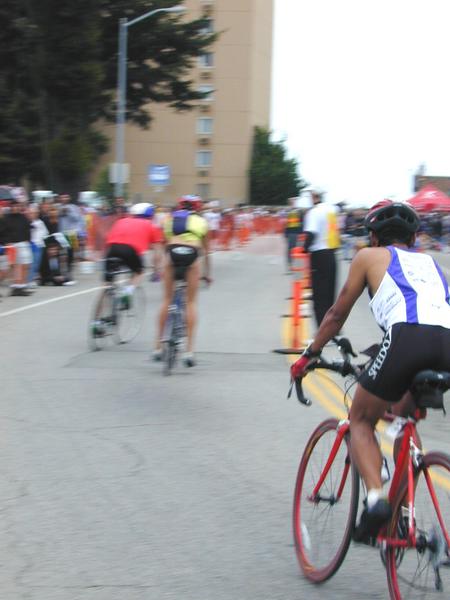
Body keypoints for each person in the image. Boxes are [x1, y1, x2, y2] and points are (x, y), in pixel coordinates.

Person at [290, 200, 450, 543]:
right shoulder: (431, 263)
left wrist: (309, 355)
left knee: (361, 418)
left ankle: (377, 500)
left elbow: (336, 315)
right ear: (414, 238)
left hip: (406, 338)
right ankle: (402, 517)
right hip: (446, 344)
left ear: (374, 237)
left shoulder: (367, 256)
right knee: (403, 418)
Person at [153, 195, 211, 367]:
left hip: (172, 253)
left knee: (167, 299)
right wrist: (207, 274)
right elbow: (206, 252)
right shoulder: (202, 222)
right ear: (198, 208)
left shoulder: (170, 220)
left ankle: (158, 347)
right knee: (191, 302)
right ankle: (189, 351)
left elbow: (164, 245)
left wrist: (163, 267)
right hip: (191, 255)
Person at [302, 190, 340, 326]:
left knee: (319, 296)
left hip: (319, 254)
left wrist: (304, 248)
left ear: (314, 197)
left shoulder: (314, 212)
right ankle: (333, 329)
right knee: (330, 295)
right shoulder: (331, 211)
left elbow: (311, 234)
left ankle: (322, 329)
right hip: (331, 254)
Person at [4, 200, 33, 296]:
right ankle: (15, 287)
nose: (15, 208)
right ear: (10, 207)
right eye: (13, 206)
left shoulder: (24, 217)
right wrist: (7, 242)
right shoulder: (6, 219)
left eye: (17, 206)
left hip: (24, 244)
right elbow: (3, 232)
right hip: (12, 245)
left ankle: (22, 286)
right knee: (15, 267)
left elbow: (28, 229)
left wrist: (28, 240)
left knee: (26, 265)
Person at [284, 198, 303, 272]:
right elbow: (286, 223)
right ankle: (290, 266)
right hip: (291, 233)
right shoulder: (288, 211)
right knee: (290, 250)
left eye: (294, 202)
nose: (293, 203)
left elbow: (301, 222)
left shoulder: (298, 211)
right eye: (292, 202)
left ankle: (295, 265)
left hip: (296, 233)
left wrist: (301, 233)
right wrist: (286, 233)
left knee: (296, 249)